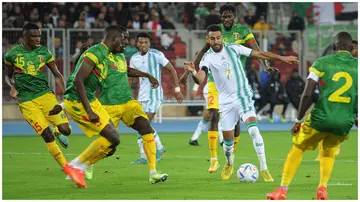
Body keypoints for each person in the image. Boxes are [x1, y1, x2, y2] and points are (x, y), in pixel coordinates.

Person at [52, 25, 165, 188]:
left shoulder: (118, 56)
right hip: (106, 104)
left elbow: (126, 70)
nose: (127, 43)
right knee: (110, 140)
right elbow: (79, 77)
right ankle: (82, 166)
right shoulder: (99, 53)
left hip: (126, 103)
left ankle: (153, 172)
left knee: (143, 128)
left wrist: (147, 75)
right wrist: (65, 105)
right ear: (115, 39)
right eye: (124, 39)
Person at [184, 24, 299, 181]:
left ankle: (264, 169)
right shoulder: (207, 58)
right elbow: (201, 78)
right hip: (225, 102)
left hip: (243, 96)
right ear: (208, 40)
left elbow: (260, 53)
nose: (216, 41)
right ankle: (229, 163)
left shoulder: (234, 48)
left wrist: (282, 58)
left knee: (253, 131)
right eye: (213, 38)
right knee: (228, 143)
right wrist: (193, 72)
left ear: (222, 37)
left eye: (218, 37)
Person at [179, 4, 277, 179]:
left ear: (235, 16)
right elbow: (202, 53)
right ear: (220, 17)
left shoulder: (243, 31)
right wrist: (189, 72)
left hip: (237, 82)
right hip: (214, 81)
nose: (226, 19)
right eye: (223, 16)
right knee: (213, 114)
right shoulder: (216, 33)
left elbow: (257, 51)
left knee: (239, 127)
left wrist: (266, 66)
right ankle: (215, 159)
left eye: (229, 16)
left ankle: (245, 163)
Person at [266, 32, 358, 200]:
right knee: (329, 152)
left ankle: (282, 190)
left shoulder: (321, 63)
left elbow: (307, 94)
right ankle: (322, 188)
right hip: (344, 122)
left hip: (321, 118)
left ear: (334, 47)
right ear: (352, 48)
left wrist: (298, 120)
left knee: (298, 146)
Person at [4, 23, 71, 170]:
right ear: (25, 37)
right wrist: (13, 87)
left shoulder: (45, 53)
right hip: (27, 100)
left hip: (46, 96)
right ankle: (67, 168)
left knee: (67, 130)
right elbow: (7, 76)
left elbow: (57, 75)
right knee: (47, 135)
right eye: (34, 36)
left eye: (39, 36)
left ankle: (57, 130)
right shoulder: (11, 55)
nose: (37, 39)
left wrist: (66, 95)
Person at [130, 32, 184, 164]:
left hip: (154, 95)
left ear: (149, 44)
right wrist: (131, 96)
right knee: (140, 126)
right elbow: (133, 78)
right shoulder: (134, 58)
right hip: (141, 96)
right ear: (136, 43)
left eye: (146, 42)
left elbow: (172, 70)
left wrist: (177, 90)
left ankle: (158, 148)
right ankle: (145, 155)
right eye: (140, 42)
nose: (143, 45)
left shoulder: (156, 54)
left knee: (144, 124)